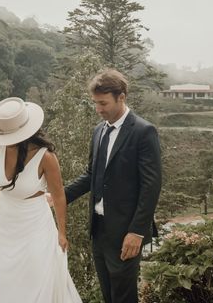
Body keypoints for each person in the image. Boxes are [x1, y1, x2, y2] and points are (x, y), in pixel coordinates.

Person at [64, 69, 162, 303]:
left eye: (103, 103)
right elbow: (91, 176)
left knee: (124, 297)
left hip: (126, 232)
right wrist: (57, 197)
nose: (99, 109)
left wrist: (136, 232)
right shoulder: (99, 131)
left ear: (121, 97)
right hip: (98, 229)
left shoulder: (143, 131)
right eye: (96, 103)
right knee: (109, 295)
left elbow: (151, 185)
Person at [0, 97, 81, 303]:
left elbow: (58, 195)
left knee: (35, 279)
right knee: (5, 277)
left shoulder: (46, 157)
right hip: (5, 224)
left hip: (35, 226)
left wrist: (62, 232)